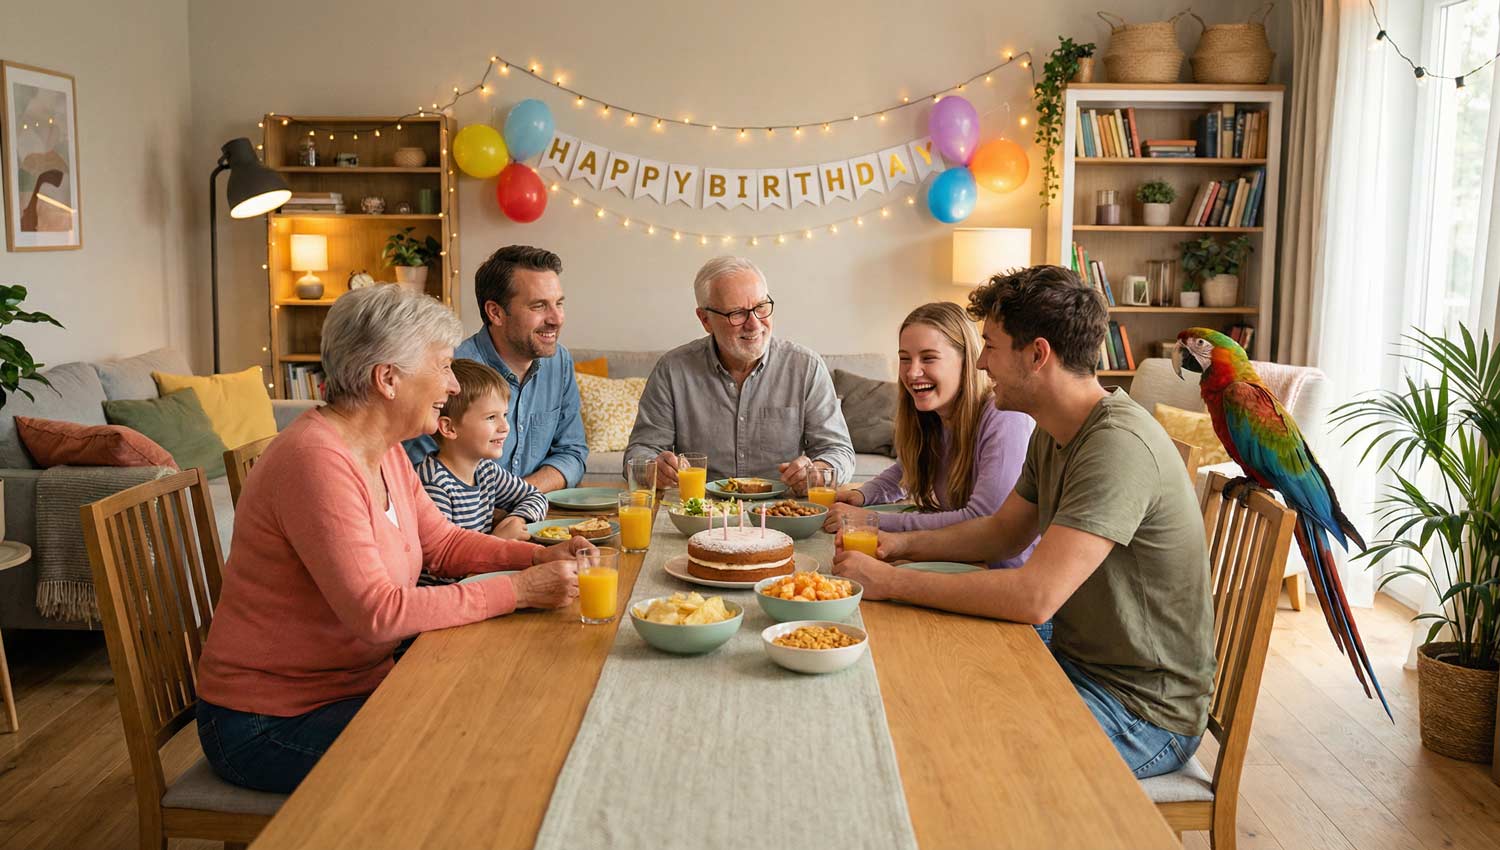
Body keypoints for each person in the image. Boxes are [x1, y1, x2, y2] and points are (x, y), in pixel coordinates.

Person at [196, 285, 592, 794]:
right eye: (444, 367)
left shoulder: (383, 450)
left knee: (509, 707)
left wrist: (538, 554)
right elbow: (378, 614)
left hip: (358, 683)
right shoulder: (316, 461)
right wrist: (519, 591)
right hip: (268, 721)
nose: (452, 385)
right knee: (480, 760)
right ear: (388, 379)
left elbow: (444, 545)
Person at [832, 266, 1214, 779]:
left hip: (1141, 711)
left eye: (990, 346)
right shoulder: (1055, 430)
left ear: (1037, 355)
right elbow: (1002, 532)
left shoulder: (1115, 447)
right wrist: (898, 549)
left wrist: (892, 583)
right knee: (912, 688)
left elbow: (1035, 597)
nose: (982, 362)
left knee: (942, 753)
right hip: (1075, 661)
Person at [821, 302, 1038, 570]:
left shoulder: (1004, 417)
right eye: (904, 358)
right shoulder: (933, 418)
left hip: (999, 575)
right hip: (960, 562)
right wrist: (863, 495)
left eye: (928, 358)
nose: (912, 372)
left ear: (966, 361)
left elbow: (982, 519)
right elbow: (905, 470)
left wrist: (869, 519)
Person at [623, 256, 854, 494]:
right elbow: (639, 453)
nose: (754, 325)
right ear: (705, 320)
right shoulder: (672, 371)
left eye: (761, 307)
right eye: (737, 313)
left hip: (781, 512)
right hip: (701, 511)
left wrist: (820, 471)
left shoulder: (806, 367)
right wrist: (652, 468)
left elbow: (839, 451)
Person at [404, 245, 587, 493]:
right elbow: (417, 472)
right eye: (539, 306)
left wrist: (519, 498)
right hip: (463, 522)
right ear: (496, 312)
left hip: (532, 514)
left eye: (559, 303)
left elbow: (573, 453)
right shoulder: (450, 371)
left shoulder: (559, 362)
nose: (556, 318)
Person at [417, 358, 549, 541]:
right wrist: (498, 540)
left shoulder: (486, 470)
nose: (505, 427)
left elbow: (535, 496)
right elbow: (441, 559)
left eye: (504, 415)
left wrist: (516, 519)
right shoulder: (434, 485)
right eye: (491, 417)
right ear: (449, 428)